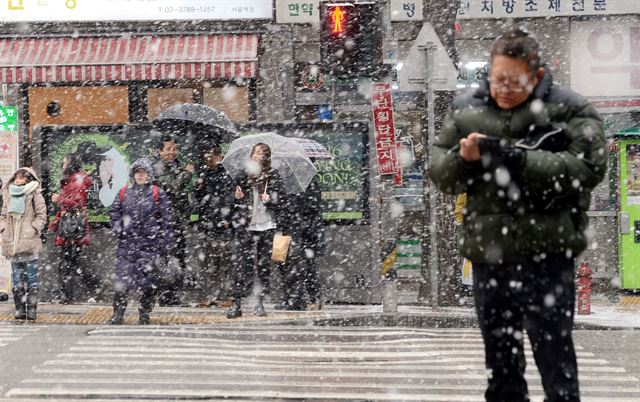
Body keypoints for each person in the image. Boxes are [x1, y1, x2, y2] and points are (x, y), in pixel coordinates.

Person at [429, 28, 607, 402]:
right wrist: (464, 160)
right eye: (498, 80)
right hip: (490, 258)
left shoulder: (570, 109)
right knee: (501, 367)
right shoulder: (467, 109)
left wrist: (518, 159)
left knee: (556, 362)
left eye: (515, 81)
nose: (504, 89)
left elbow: (589, 169)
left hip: (548, 256)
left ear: (538, 75)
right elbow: (439, 173)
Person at [108, 158, 173, 325]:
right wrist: (119, 229)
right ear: (133, 174)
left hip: (150, 245)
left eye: (143, 172)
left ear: (149, 175)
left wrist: (165, 242)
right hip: (128, 245)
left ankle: (145, 310)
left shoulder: (158, 193)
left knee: (150, 282)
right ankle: (118, 313)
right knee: (122, 281)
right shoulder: (124, 192)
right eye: (138, 172)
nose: (140, 176)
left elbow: (167, 219)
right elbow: (114, 212)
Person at [227, 143, 288, 319]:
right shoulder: (242, 175)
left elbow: (282, 202)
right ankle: (237, 303)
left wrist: (270, 199)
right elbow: (230, 200)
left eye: (261, 153)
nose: (257, 156)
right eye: (255, 153)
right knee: (241, 265)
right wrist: (236, 198)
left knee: (263, 267)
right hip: (246, 225)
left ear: (266, 157)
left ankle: (259, 303)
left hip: (266, 225)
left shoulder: (272, 176)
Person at [48, 153, 97, 303]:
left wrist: (59, 199)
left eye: (64, 163)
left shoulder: (76, 181)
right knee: (71, 262)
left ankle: (67, 294)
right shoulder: (72, 180)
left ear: (70, 164)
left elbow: (76, 205)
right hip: (71, 227)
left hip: (73, 228)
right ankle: (91, 286)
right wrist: (55, 222)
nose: (62, 166)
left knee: (66, 263)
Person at [152, 135, 194, 306]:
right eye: (168, 149)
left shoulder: (178, 166)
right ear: (160, 151)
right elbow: (170, 188)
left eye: (174, 149)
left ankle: (174, 295)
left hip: (177, 221)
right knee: (164, 259)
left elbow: (181, 194)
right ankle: (164, 295)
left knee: (178, 257)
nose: (172, 152)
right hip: (162, 222)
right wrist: (186, 175)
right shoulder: (156, 168)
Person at [0, 168, 47, 320]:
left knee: (31, 278)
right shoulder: (8, 193)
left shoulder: (34, 193)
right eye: (16, 178)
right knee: (17, 279)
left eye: (21, 178)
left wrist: (33, 229)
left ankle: (32, 310)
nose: (17, 180)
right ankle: (20, 309)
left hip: (28, 242)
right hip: (13, 242)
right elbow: (4, 214)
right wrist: (3, 228)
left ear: (28, 179)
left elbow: (41, 215)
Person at [275, 173, 324, 311]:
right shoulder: (275, 176)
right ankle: (290, 297)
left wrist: (290, 203)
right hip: (282, 226)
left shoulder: (306, 177)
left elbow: (312, 204)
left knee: (303, 264)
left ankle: (310, 298)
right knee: (282, 262)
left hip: (300, 229)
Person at [194, 145, 236, 308]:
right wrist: (199, 186)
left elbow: (230, 198)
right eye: (206, 156)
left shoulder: (227, 173)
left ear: (220, 156)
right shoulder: (205, 173)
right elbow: (200, 199)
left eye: (211, 156)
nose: (208, 159)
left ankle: (228, 296)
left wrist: (228, 218)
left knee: (225, 263)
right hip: (206, 224)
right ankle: (208, 295)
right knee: (207, 263)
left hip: (223, 225)